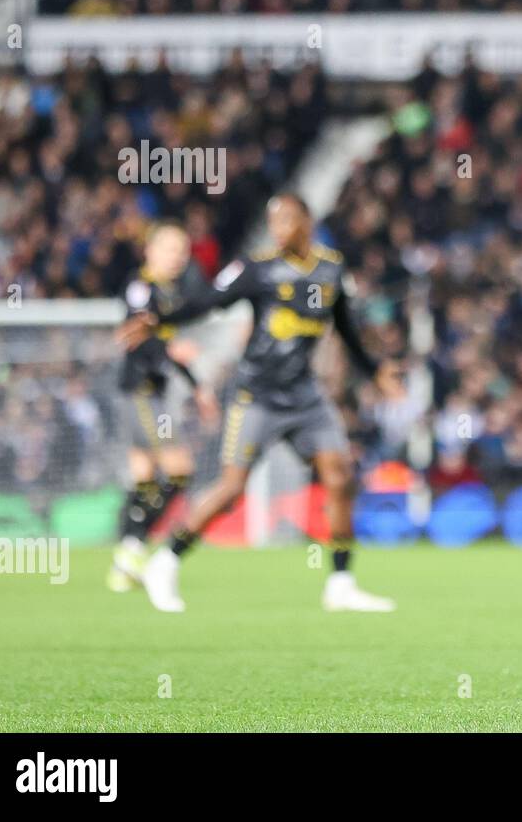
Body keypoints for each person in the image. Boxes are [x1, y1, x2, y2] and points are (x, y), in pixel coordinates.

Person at [118, 194, 404, 613]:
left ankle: (340, 583)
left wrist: (375, 371)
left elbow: (345, 330)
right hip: (257, 394)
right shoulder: (258, 269)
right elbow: (210, 302)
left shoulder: (331, 270)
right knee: (232, 488)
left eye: (287, 220)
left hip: (306, 395)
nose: (279, 229)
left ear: (306, 221)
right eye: (273, 222)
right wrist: (160, 319)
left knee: (340, 478)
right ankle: (166, 559)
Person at [108, 221, 219, 592]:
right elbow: (134, 336)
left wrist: (198, 387)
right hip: (138, 391)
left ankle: (124, 562)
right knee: (179, 469)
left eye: (183, 252)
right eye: (171, 249)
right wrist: (171, 351)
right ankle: (132, 546)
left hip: (149, 392)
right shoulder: (141, 288)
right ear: (150, 250)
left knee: (144, 477)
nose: (179, 258)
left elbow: (170, 351)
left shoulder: (170, 294)